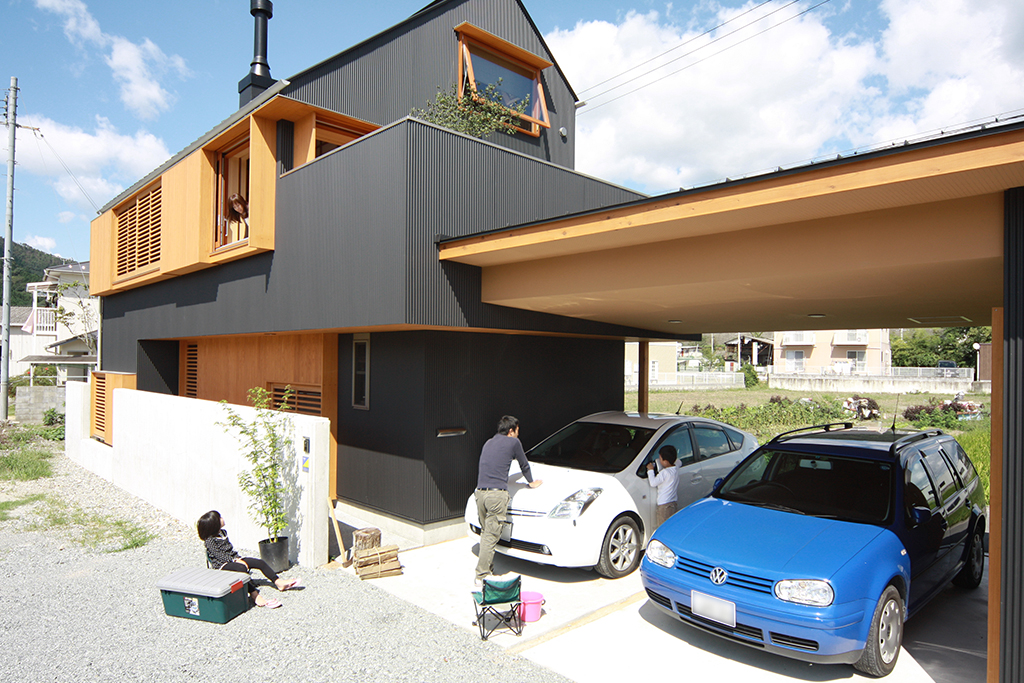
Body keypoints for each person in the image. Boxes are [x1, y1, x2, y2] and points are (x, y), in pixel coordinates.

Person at [474, 415, 542, 585]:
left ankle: (487, 569)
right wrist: (531, 482)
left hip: (480, 493)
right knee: (491, 536)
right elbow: (524, 464)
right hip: (496, 496)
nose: (518, 435)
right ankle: (482, 577)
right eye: (517, 431)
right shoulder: (513, 443)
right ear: (511, 431)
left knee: (485, 534)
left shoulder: (488, 442)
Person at [196, 510, 300, 609]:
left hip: (234, 558)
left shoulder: (223, 533)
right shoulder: (210, 541)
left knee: (259, 562)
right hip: (222, 565)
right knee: (241, 568)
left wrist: (237, 558)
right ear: (214, 525)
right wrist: (235, 560)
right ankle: (254, 594)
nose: (222, 518)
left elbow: (229, 549)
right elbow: (219, 555)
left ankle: (278, 582)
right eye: (219, 518)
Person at [646, 445, 679, 528]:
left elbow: (653, 483)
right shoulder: (676, 468)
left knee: (662, 526)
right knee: (671, 524)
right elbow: (679, 462)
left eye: (660, 458)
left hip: (664, 505)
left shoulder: (664, 473)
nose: (659, 460)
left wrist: (650, 470)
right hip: (673, 503)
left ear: (665, 461)